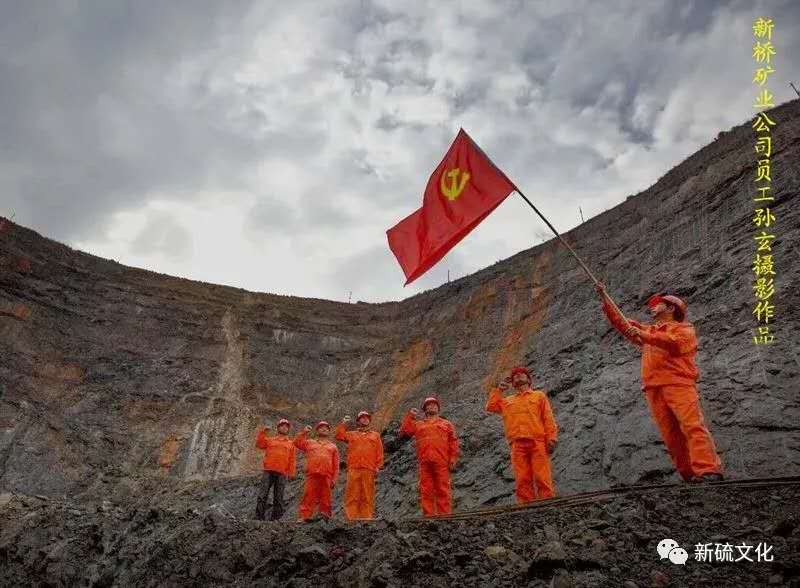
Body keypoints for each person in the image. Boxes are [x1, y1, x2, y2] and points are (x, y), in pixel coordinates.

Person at [596, 284, 723, 483]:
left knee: (692, 426)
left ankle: (708, 470)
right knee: (671, 436)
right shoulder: (650, 331)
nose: (653, 307)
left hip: (678, 383)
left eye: (658, 304)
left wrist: (644, 335)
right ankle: (690, 475)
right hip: (653, 388)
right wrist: (605, 298)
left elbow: (674, 344)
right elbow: (622, 322)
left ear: (671, 308)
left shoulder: (684, 329)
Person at [486, 366, 558, 502]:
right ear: (512, 382)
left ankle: (548, 504)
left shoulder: (539, 396)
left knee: (542, 476)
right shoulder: (508, 401)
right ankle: (526, 506)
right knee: (522, 478)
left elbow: (548, 418)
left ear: (529, 379)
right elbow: (491, 406)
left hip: (537, 442)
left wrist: (552, 438)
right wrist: (499, 390)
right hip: (517, 444)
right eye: (515, 375)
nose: (518, 375)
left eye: (522, 373)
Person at [399, 397, 459, 516]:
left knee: (443, 488)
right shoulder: (418, 424)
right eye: (429, 405)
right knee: (426, 490)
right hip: (424, 462)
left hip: (441, 461)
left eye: (434, 404)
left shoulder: (446, 424)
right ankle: (429, 516)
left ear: (438, 408)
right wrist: (410, 416)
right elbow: (405, 431)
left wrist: (453, 458)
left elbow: (453, 442)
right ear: (425, 409)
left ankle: (445, 516)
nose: (432, 406)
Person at [335, 411, 384, 520]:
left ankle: (366, 517)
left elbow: (379, 451)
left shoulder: (375, 435)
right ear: (358, 421)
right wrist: (343, 424)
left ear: (369, 420)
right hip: (354, 468)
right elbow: (339, 435)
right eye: (362, 418)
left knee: (367, 494)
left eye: (367, 417)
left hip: (369, 468)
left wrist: (378, 466)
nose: (365, 419)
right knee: (352, 493)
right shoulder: (351, 434)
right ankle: (351, 517)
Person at [294, 421, 340, 519]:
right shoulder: (310, 442)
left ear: (329, 431)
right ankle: (304, 517)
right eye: (321, 427)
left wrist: (334, 479)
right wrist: (304, 432)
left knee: (326, 498)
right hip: (312, 475)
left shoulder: (333, 446)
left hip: (327, 476)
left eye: (326, 428)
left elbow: (336, 465)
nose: (324, 429)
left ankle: (325, 518)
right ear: (317, 430)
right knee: (308, 497)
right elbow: (297, 443)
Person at [254, 418, 296, 520]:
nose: (284, 427)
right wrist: (263, 432)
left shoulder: (291, 444)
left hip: (282, 473)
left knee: (279, 497)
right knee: (262, 495)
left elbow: (292, 460)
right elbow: (259, 444)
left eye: (286, 426)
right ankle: (259, 517)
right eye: (282, 425)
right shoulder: (270, 440)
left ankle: (276, 519)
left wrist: (291, 473)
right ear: (278, 428)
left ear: (288, 429)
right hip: (268, 471)